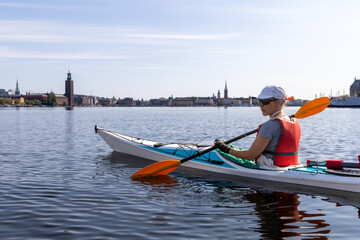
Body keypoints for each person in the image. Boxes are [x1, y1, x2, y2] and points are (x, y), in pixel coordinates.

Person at [214, 85, 301, 168]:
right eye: (260, 101)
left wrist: (225, 148)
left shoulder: (269, 125)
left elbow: (250, 155)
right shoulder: (292, 121)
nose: (261, 105)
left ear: (279, 103)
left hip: (270, 167)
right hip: (290, 166)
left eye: (266, 101)